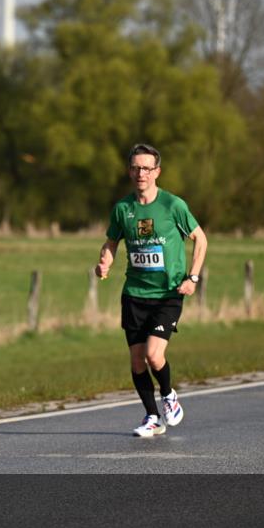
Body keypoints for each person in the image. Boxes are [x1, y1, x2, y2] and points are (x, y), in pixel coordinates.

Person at [95, 144, 208, 437]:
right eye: (135, 167)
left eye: (146, 168)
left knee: (154, 355)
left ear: (157, 171)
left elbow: (201, 239)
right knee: (136, 360)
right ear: (129, 171)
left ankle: (169, 395)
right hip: (134, 294)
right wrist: (104, 262)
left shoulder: (173, 205)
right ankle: (153, 418)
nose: (140, 173)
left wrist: (193, 278)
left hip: (168, 293)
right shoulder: (123, 209)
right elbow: (111, 242)